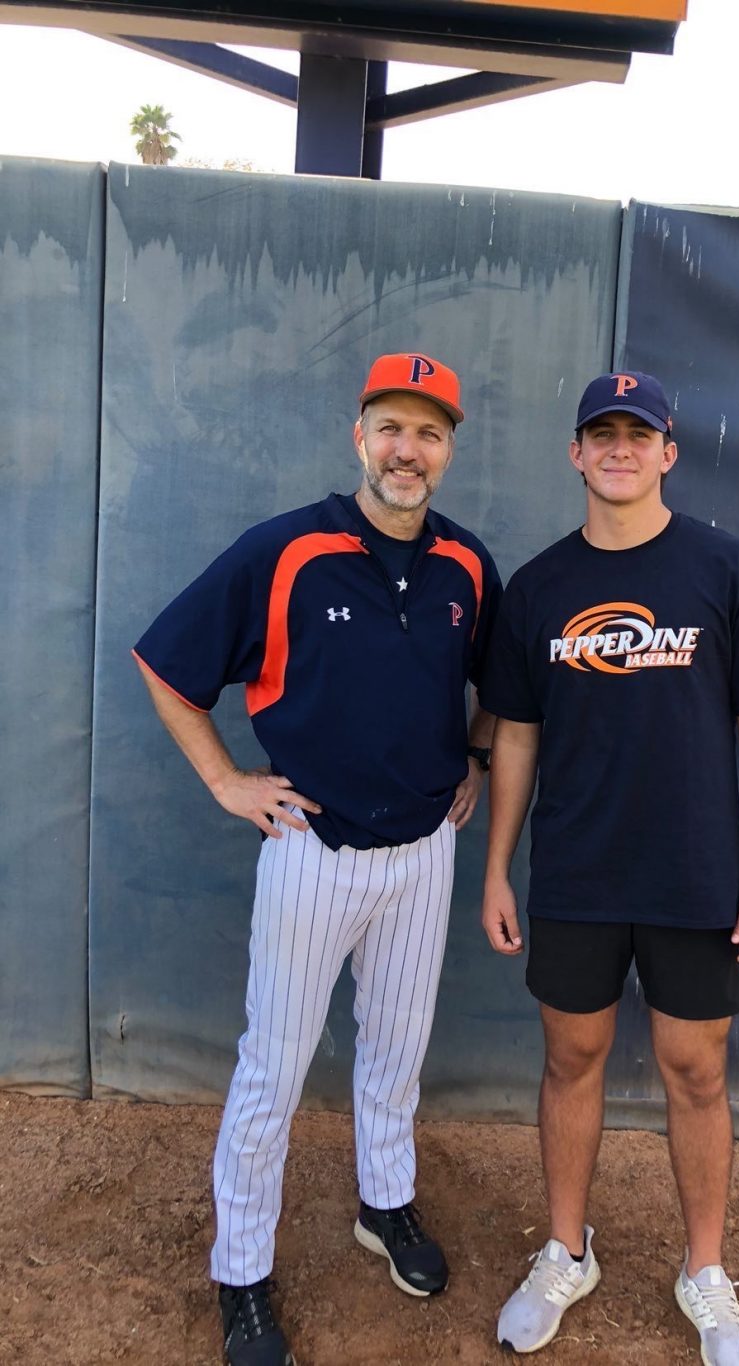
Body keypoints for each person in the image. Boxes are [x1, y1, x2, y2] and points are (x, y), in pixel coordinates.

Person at [133, 352, 501, 1366]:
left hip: (424, 849)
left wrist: (470, 755)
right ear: (359, 435)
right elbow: (166, 666)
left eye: (428, 432)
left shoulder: (465, 563)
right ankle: (241, 1270)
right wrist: (224, 781)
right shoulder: (288, 548)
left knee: (394, 1055)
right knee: (273, 1070)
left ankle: (385, 1205)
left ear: (448, 450)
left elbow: (499, 686)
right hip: (310, 844)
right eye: (391, 425)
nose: (407, 449)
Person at [479, 371, 739, 1363]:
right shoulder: (537, 588)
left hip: (696, 874)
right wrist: (495, 866)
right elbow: (516, 741)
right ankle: (565, 1250)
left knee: (694, 1070)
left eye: (639, 433)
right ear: (575, 453)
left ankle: (704, 1270)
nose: (619, 449)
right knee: (571, 1060)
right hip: (576, 870)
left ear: (668, 452)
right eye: (600, 434)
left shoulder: (727, 569)